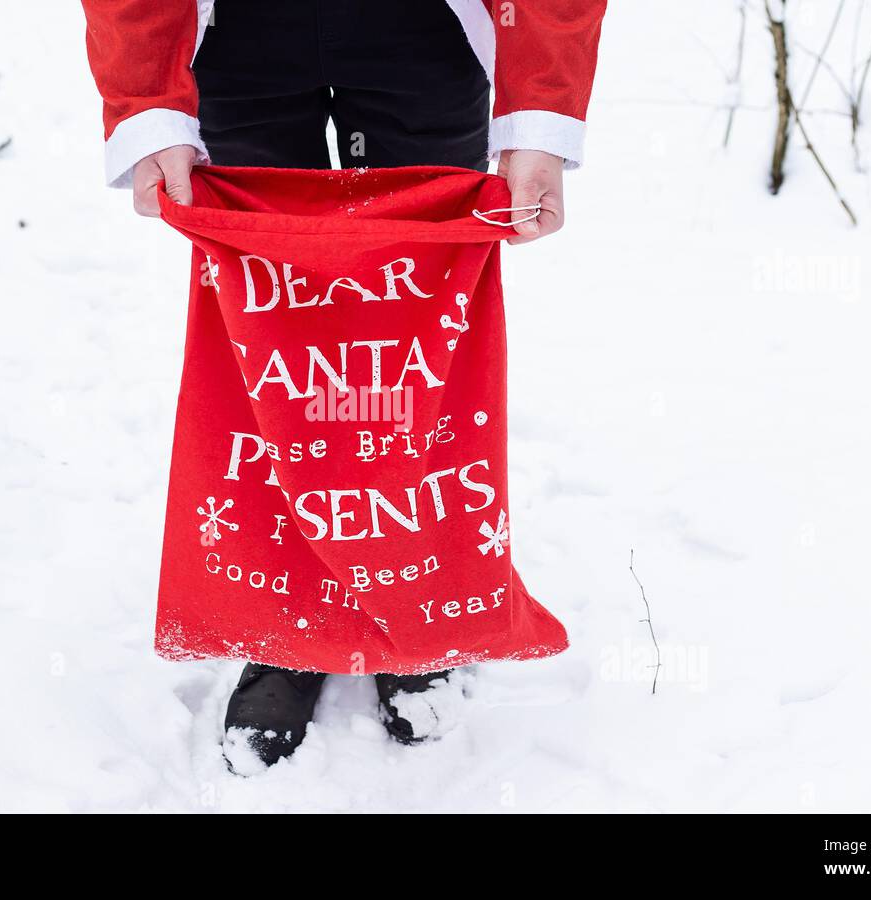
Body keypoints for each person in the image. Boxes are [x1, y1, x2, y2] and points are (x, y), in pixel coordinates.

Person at [81, 0, 607, 771]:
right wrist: (148, 100)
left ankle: (413, 595)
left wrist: (538, 115)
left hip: (426, 27)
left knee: (412, 324)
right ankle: (284, 620)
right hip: (244, 31)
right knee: (275, 334)